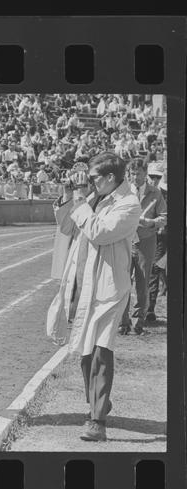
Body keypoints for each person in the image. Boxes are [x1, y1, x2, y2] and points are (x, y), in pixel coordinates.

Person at [46, 152, 141, 442]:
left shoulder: (129, 203)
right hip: (85, 285)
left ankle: (97, 421)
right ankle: (99, 400)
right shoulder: (94, 197)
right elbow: (66, 227)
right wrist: (68, 194)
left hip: (110, 288)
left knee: (101, 351)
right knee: (85, 353)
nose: (90, 182)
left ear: (110, 177)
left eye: (93, 177)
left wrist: (79, 197)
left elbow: (99, 231)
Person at [118, 158, 167, 335]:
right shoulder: (123, 192)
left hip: (146, 242)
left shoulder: (156, 193)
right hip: (125, 241)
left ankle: (138, 322)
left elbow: (164, 217)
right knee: (122, 282)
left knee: (142, 282)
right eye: (132, 174)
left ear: (145, 173)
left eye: (138, 174)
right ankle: (123, 322)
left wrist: (150, 222)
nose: (135, 177)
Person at [146, 162, 168, 322]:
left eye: (157, 177)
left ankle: (149, 309)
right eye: (152, 176)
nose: (154, 180)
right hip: (141, 237)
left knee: (154, 270)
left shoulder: (165, 194)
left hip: (160, 237)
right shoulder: (140, 191)